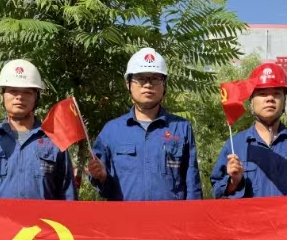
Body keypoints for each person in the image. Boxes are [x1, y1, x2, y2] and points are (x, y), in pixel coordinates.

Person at [210, 62, 287, 233]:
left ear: (284, 100)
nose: (270, 99)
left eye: (277, 93)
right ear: (251, 100)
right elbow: (217, 194)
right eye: (262, 93)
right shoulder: (235, 145)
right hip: (250, 236)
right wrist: (234, 182)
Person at [86, 47, 203, 200]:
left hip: (170, 215)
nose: (148, 85)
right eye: (141, 78)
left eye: (155, 79)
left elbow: (192, 184)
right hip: (126, 215)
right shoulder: (111, 131)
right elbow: (105, 189)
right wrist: (101, 177)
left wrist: (194, 214)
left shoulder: (181, 128)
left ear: (164, 85)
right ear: (128, 83)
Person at [0, 59, 76, 200]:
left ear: (37, 97)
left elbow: (68, 195)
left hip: (41, 216)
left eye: (27, 92)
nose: (19, 97)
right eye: (12, 91)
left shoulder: (55, 141)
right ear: (2, 96)